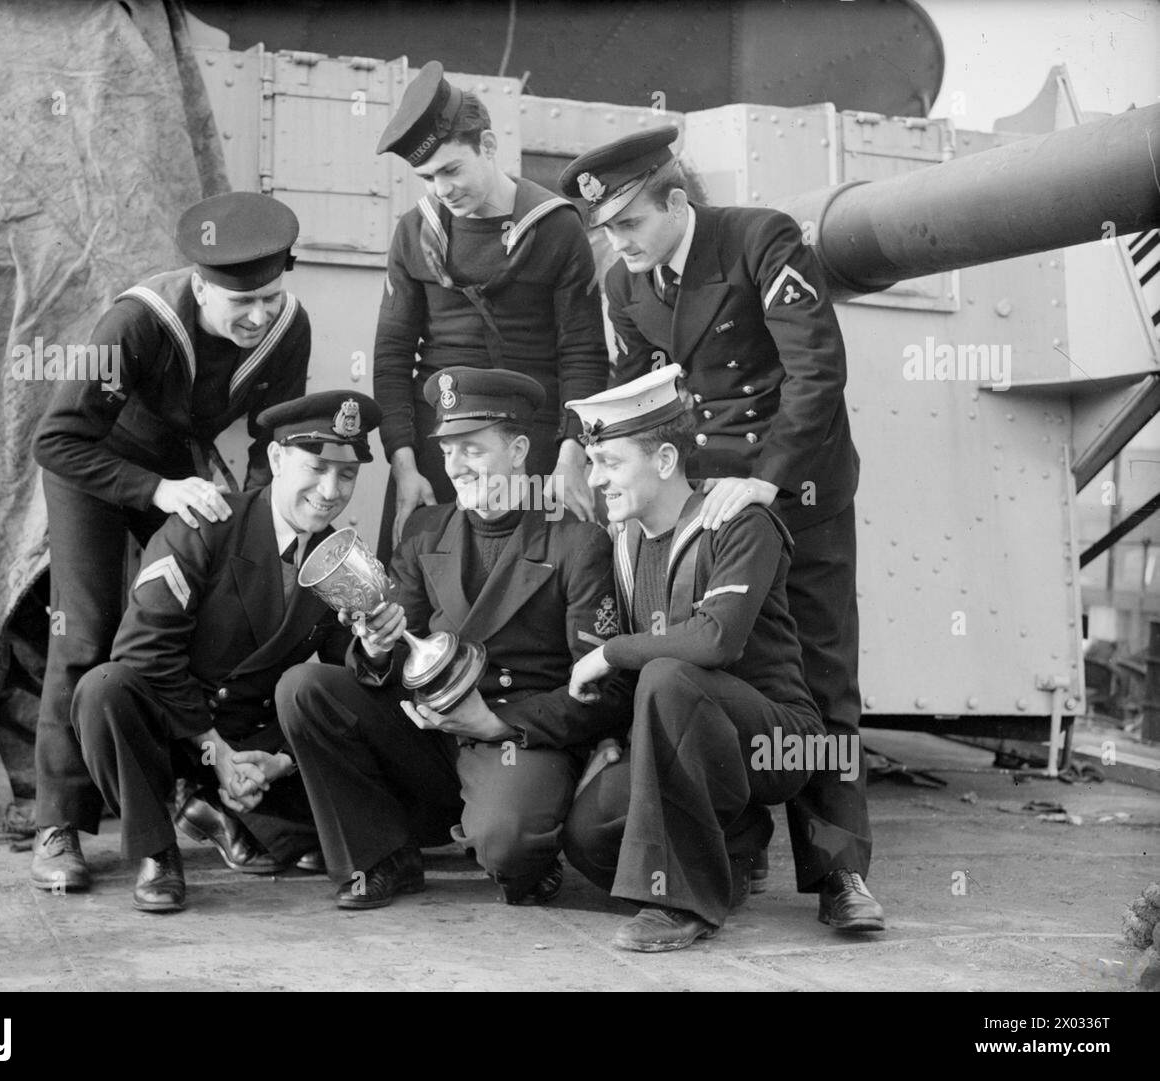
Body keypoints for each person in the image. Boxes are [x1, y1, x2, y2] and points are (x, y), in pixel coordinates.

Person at [560, 127, 884, 933]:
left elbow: (816, 369)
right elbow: (633, 388)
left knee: (820, 677)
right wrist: (589, 450)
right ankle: (727, 845)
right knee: (703, 668)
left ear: (677, 201)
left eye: (629, 223)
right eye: (606, 229)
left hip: (796, 491)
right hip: (704, 509)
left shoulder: (760, 240)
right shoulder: (623, 284)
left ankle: (840, 871)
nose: (617, 242)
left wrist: (766, 477)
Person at [30, 191, 311, 893]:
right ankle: (58, 820)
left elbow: (272, 439)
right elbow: (56, 439)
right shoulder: (137, 322)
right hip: (96, 467)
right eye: (238, 304)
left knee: (197, 618)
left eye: (270, 299)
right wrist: (157, 492)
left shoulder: (287, 326)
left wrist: (257, 517)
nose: (258, 317)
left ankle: (192, 793)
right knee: (88, 632)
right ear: (199, 286)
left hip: (178, 467)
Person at [277, 368, 629, 909]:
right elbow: (394, 651)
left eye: (473, 449)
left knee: (509, 852)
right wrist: (374, 646)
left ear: (518, 450)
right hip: (430, 732)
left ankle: (529, 846)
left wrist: (498, 722)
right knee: (306, 688)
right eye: (447, 450)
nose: (456, 466)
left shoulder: (576, 542)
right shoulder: (424, 531)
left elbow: (602, 690)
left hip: (512, 733)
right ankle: (380, 856)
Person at [71, 392, 382, 911]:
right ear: (278, 460)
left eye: (347, 475)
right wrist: (215, 753)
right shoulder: (207, 522)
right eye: (318, 467)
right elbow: (144, 652)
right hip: (175, 728)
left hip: (249, 736)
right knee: (103, 690)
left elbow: (344, 674)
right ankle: (157, 852)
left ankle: (223, 810)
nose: (331, 491)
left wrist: (279, 759)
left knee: (368, 804)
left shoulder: (339, 557)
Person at [562, 365, 823, 952]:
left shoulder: (738, 522)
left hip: (773, 740)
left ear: (662, 461)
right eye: (593, 461)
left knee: (668, 673)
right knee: (588, 837)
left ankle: (681, 904)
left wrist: (611, 652)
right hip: (685, 734)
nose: (596, 478)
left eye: (610, 462)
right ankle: (735, 845)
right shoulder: (625, 539)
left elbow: (715, 642)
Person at [372, 60, 608, 562]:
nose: (442, 189)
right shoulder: (414, 233)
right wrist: (405, 465)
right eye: (428, 177)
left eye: (452, 170)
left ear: (488, 147)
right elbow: (392, 358)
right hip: (440, 445)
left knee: (539, 583)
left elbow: (583, 354)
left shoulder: (556, 229)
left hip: (536, 443)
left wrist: (573, 456)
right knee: (419, 586)